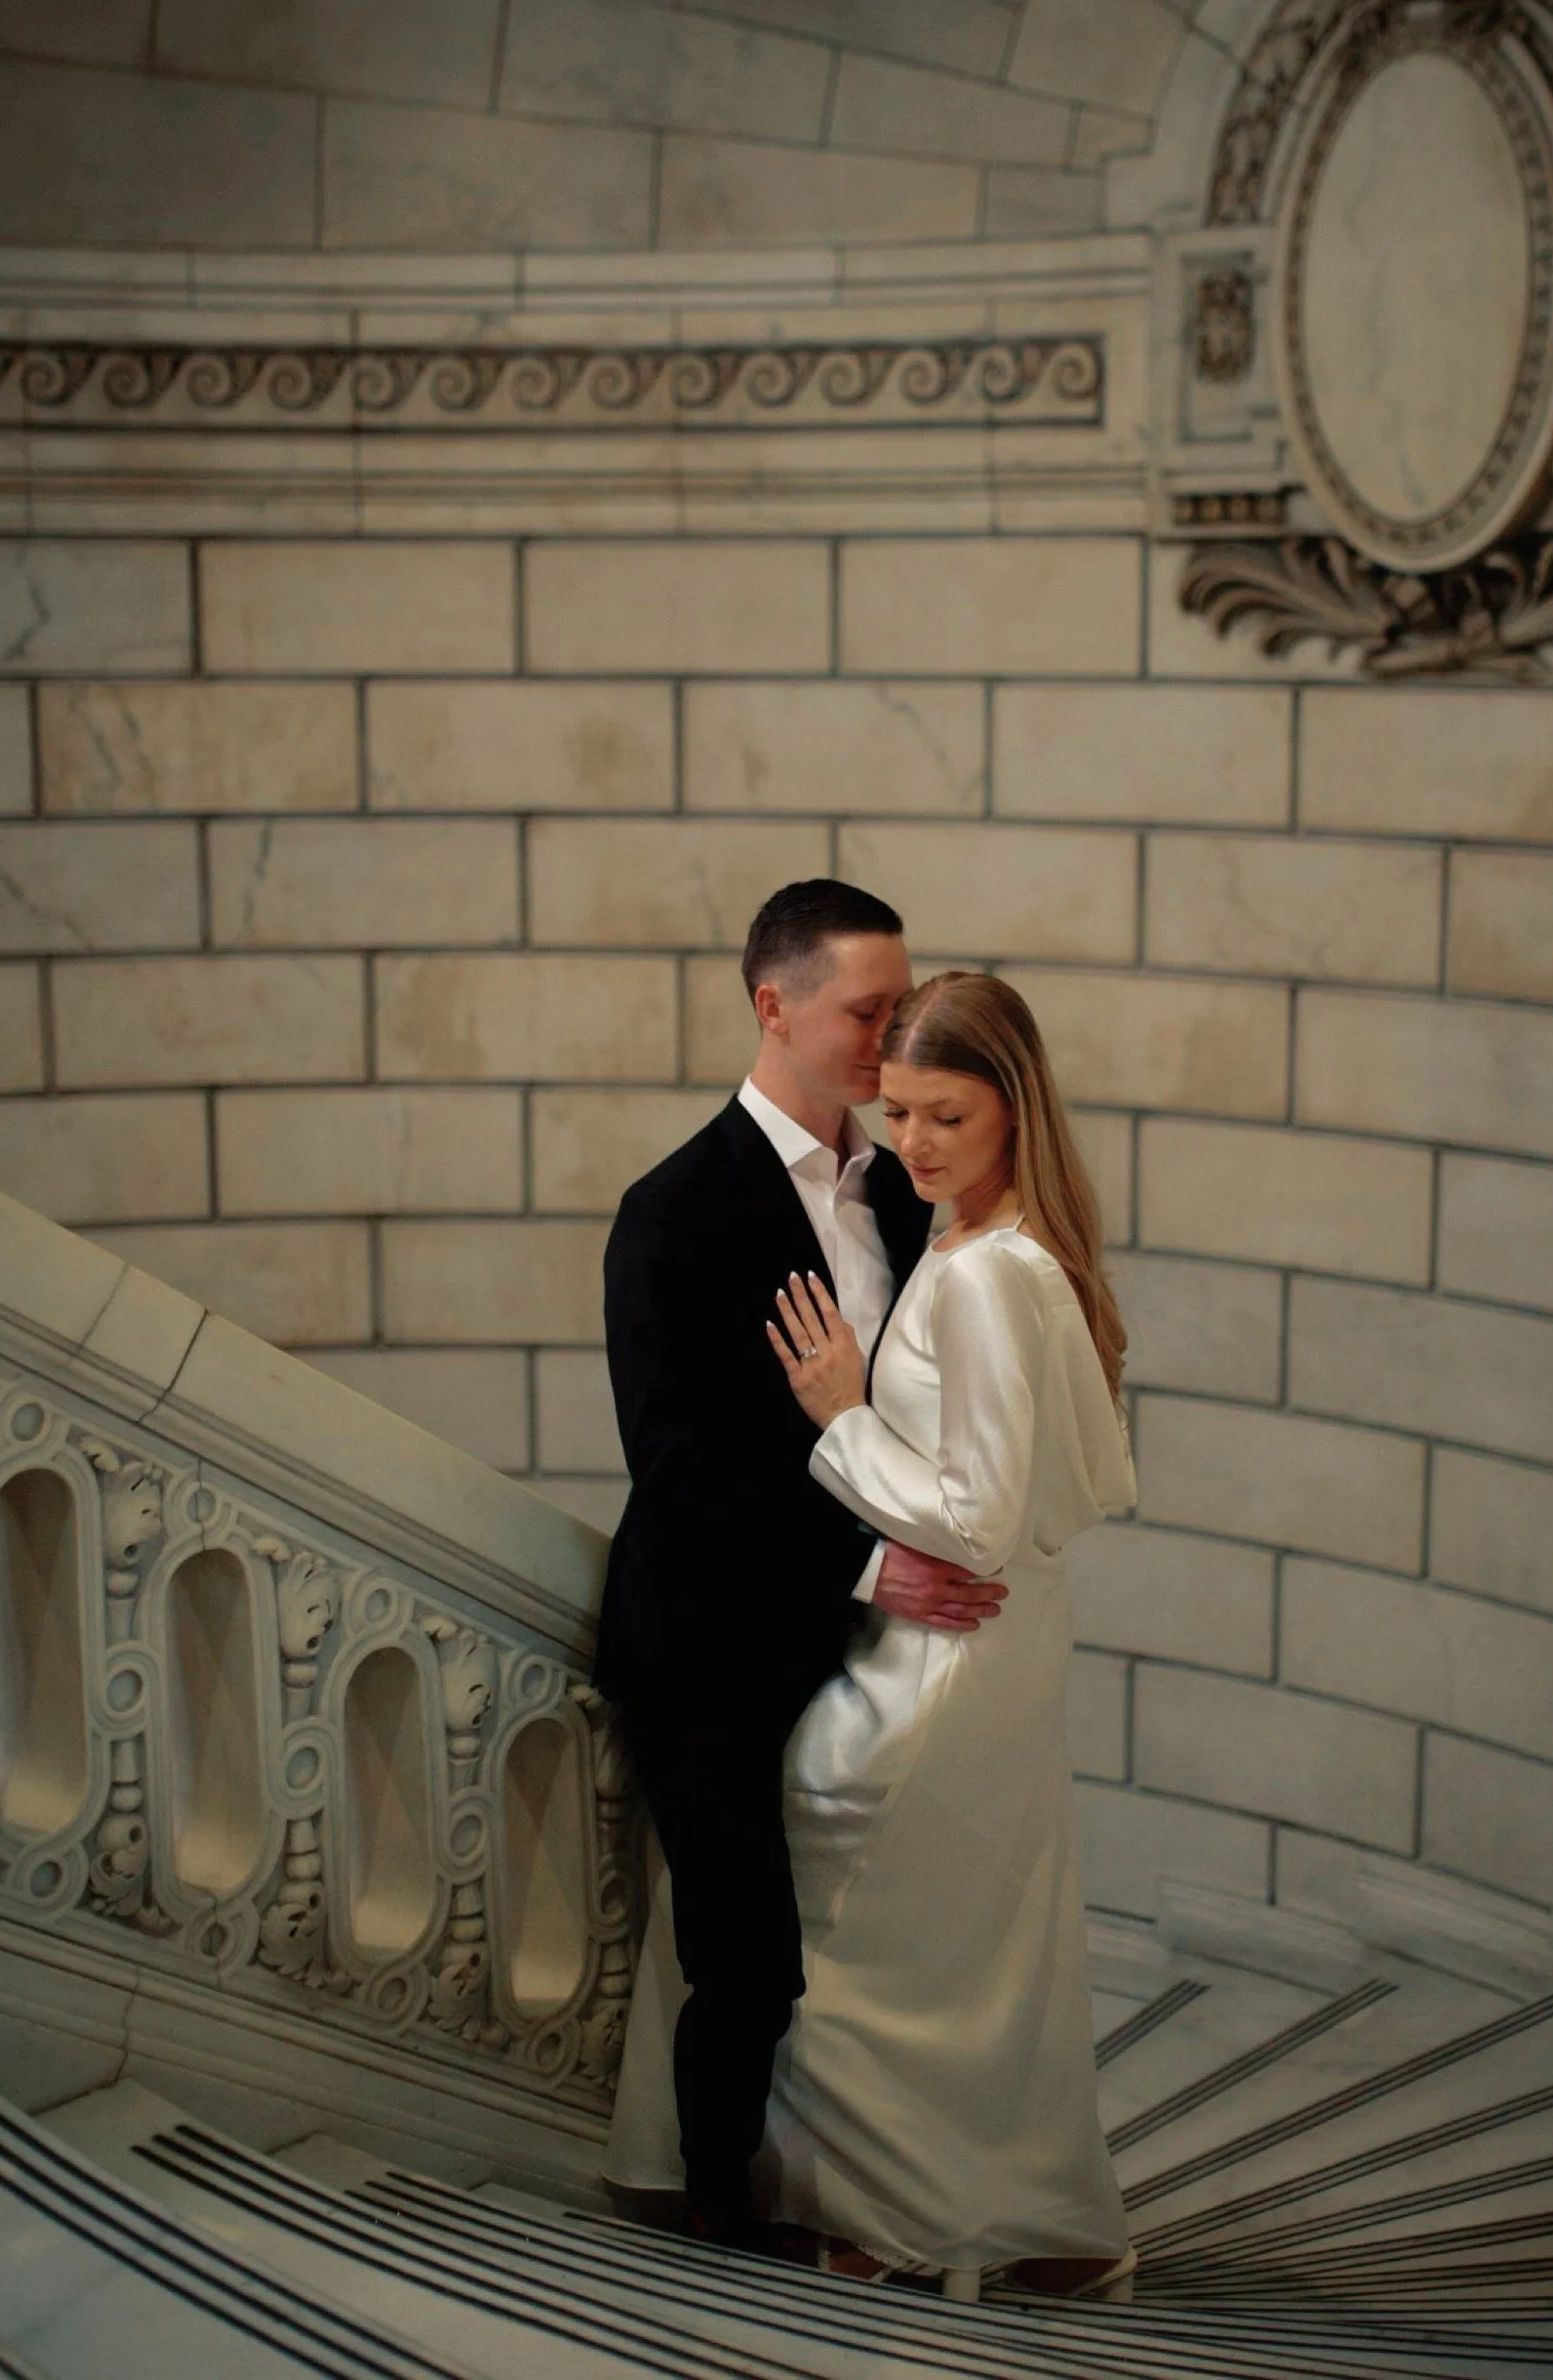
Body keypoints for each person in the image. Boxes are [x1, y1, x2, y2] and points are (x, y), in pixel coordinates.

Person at [596, 883, 1006, 2254]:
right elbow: (680, 1465)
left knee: (894, 1931)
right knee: (750, 1953)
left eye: (899, 1011)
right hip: (705, 1635)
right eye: (868, 1014)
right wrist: (866, 1569)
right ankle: (715, 2215)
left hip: (853, 1631)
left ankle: (885, 2192)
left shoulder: (898, 1186)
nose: (894, 1046)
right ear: (773, 1006)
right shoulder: (669, 1211)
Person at [758, 970, 1135, 2299]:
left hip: (952, 1656)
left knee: (859, 1918)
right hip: (1006, 1652)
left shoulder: (984, 1278)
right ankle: (1031, 2230)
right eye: (899, 1111)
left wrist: (840, 1414)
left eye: (947, 1119)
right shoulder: (1012, 1252)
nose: (911, 1145)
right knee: (985, 1950)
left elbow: (975, 1523)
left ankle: (890, 2224)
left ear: (1014, 1111)